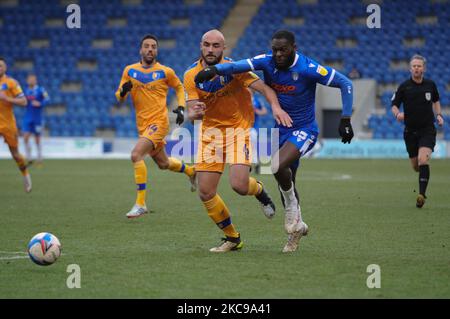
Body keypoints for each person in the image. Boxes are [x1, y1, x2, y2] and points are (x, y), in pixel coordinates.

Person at [195, 30, 354, 253]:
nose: (278, 54)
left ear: (294, 49)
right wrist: (214, 69)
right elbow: (235, 66)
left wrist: (345, 118)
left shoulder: (308, 68)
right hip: (281, 131)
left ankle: (291, 211)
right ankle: (296, 231)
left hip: (304, 129)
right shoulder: (266, 62)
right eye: (275, 50)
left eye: (283, 50)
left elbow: (346, 83)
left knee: (277, 165)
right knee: (286, 181)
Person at [184, 29, 285, 253]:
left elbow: (264, 88)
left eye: (216, 46)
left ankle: (259, 190)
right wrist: (194, 113)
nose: (211, 49)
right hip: (210, 135)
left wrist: (275, 107)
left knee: (239, 185)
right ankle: (232, 238)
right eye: (207, 45)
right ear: (201, 46)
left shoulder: (235, 68)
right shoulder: (190, 74)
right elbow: (191, 112)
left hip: (238, 131)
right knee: (205, 192)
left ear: (224, 48)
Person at [115, 34, 196, 218]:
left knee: (136, 155)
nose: (150, 49)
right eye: (147, 46)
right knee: (163, 163)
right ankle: (192, 171)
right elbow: (119, 98)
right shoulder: (129, 70)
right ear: (141, 50)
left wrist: (181, 107)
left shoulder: (165, 71)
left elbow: (180, 87)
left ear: (157, 51)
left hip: (159, 123)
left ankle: (140, 203)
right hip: (142, 125)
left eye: (153, 46)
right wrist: (123, 91)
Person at [391, 54, 444, 208]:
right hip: (410, 132)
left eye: (419, 66)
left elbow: (436, 100)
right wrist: (397, 114)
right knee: (416, 166)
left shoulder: (430, 85)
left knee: (423, 160)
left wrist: (439, 115)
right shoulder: (404, 87)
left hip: (427, 130)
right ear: (410, 68)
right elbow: (394, 104)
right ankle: (422, 172)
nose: (416, 68)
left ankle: (421, 195)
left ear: (424, 68)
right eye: (414, 66)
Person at [0, 57, 32, 192]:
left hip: (7, 124)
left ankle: (26, 176)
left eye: (1, 66)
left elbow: (24, 101)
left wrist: (7, 98)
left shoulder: (11, 82)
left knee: (15, 154)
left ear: (5, 68)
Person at [22, 73, 50, 166]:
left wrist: (40, 103)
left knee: (37, 139)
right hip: (28, 117)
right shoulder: (26, 90)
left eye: (33, 79)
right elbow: (23, 101)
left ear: (36, 80)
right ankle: (29, 157)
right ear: (27, 81)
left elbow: (47, 98)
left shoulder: (41, 90)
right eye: (30, 79)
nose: (31, 81)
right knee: (25, 137)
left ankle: (39, 157)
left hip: (37, 118)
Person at [249, 87, 268, 174]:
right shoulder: (242, 99)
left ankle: (255, 164)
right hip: (242, 127)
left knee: (252, 147)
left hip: (253, 128)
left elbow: (264, 111)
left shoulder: (257, 100)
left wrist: (256, 111)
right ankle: (250, 164)